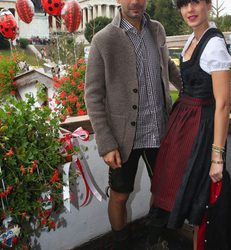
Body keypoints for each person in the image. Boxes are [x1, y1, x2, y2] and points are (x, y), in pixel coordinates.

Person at [85, 0, 182, 249]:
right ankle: (121, 244)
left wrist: (193, 89)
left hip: (160, 129)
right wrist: (106, 143)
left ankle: (153, 237)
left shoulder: (157, 29)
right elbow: (93, 95)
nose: (135, 2)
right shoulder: (102, 40)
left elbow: (167, 66)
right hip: (122, 137)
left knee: (161, 192)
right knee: (119, 194)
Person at [151, 0, 231, 249]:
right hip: (184, 126)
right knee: (186, 197)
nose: (189, 10)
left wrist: (217, 156)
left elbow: (223, 104)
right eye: (183, 4)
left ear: (208, 4)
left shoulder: (214, 44)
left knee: (203, 202)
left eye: (195, 2)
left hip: (201, 129)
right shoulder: (193, 40)